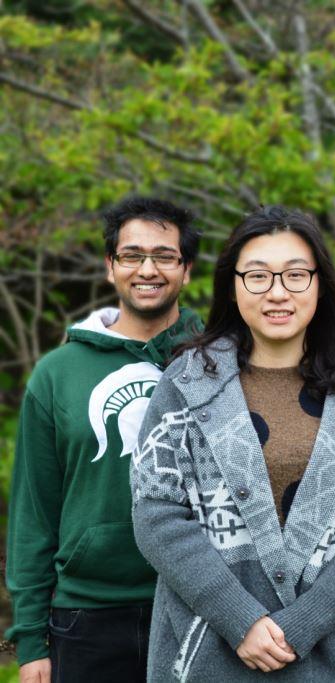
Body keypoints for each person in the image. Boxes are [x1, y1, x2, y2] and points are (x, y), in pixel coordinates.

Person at [130, 206, 335, 681]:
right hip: (205, 653)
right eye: (257, 276)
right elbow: (156, 513)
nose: (277, 292)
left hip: (325, 656)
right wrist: (241, 620)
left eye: (296, 275)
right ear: (233, 285)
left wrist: (302, 625)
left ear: (319, 283)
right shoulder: (188, 383)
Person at [5, 197, 201, 682]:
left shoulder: (218, 360)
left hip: (199, 605)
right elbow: (34, 512)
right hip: (85, 617)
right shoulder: (57, 374)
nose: (148, 269)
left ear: (186, 270)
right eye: (132, 255)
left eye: (164, 256)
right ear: (110, 267)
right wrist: (30, 641)